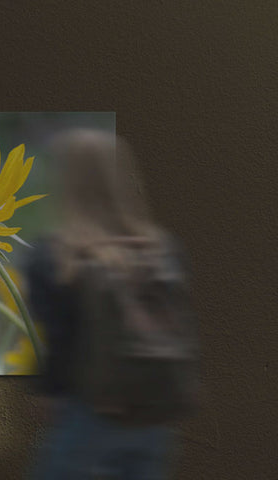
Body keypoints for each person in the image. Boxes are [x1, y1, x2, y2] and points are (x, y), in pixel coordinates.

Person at [24, 129, 192, 479]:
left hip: (90, 412)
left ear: (67, 183)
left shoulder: (56, 255)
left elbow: (58, 341)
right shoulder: (163, 248)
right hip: (153, 412)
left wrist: (47, 394)